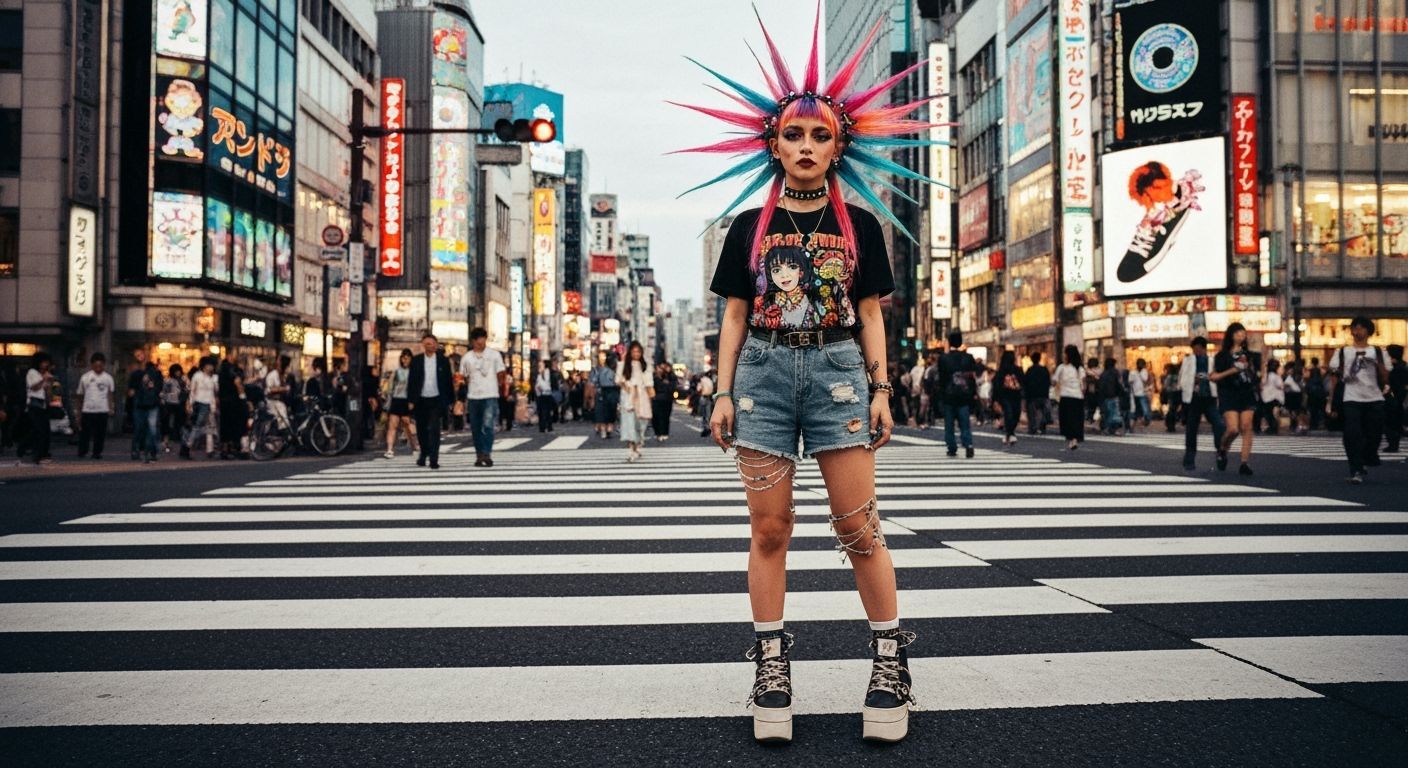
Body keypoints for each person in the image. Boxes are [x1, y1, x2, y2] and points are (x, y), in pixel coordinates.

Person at [688, 13, 930, 740]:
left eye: (820, 135)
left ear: (840, 144)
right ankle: (771, 669)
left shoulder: (859, 224)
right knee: (770, 529)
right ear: (771, 143)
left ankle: (891, 664)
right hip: (760, 370)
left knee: (859, 527)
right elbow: (733, 316)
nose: (806, 145)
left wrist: (884, 389)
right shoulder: (746, 230)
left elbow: (872, 315)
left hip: (838, 370)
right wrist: (723, 389)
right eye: (793, 135)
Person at [1329, 316, 1389, 483]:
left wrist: (1375, 364)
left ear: (1369, 331)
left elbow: (1386, 375)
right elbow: (1334, 376)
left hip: (1374, 396)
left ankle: (1368, 456)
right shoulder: (1343, 352)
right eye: (1355, 328)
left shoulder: (1378, 352)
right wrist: (1331, 400)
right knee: (1351, 434)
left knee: (1374, 433)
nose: (1358, 331)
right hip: (1351, 397)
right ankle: (1356, 468)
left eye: (1362, 328)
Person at [1211, 322, 1260, 475]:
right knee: (1233, 429)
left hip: (1246, 393)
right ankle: (1222, 449)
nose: (1241, 336)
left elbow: (1257, 374)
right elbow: (1215, 376)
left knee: (1246, 427)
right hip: (1228, 393)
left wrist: (1254, 372)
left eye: (1243, 333)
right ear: (1231, 335)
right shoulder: (1222, 356)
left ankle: (1244, 463)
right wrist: (1233, 370)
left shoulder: (1251, 356)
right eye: (1238, 333)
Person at [459, 327, 507, 467]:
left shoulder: (494, 355)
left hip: (490, 395)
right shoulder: (467, 357)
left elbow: (501, 373)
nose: (481, 344)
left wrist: (500, 387)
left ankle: (486, 453)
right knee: (475, 426)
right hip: (473, 396)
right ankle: (479, 454)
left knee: (488, 425)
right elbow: (463, 377)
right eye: (478, 342)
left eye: (483, 341)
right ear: (473, 341)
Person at [1177, 336, 1225, 471]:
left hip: (1210, 397)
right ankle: (1189, 460)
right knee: (1191, 429)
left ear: (1204, 348)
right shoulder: (1188, 360)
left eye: (1198, 349)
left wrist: (1202, 377)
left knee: (1218, 424)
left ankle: (1220, 450)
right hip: (1194, 398)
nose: (1196, 352)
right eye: (1194, 349)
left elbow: (1216, 376)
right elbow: (1182, 378)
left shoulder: (1212, 360)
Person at [407, 333, 453, 469]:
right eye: (427, 344)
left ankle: (434, 458)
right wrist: (410, 400)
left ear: (436, 344)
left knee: (434, 429)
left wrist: (451, 400)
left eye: (432, 344)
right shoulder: (417, 361)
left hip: (436, 399)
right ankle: (424, 453)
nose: (430, 346)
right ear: (423, 345)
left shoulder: (443, 361)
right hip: (421, 398)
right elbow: (412, 382)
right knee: (421, 429)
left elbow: (448, 381)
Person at [938, 331, 978, 458]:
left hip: (949, 396)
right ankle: (968, 444)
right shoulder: (969, 358)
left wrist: (941, 395)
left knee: (949, 425)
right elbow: (972, 378)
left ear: (949, 342)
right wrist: (973, 393)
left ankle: (952, 447)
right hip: (964, 395)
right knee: (965, 423)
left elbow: (941, 379)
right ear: (961, 341)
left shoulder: (943, 358)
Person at [616, 341, 653, 462]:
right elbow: (618, 379)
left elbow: (649, 382)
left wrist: (650, 394)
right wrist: (626, 387)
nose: (636, 354)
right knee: (629, 423)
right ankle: (631, 449)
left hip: (642, 397)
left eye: (638, 351)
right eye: (633, 351)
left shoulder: (645, 365)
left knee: (642, 423)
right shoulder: (623, 364)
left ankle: (638, 444)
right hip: (628, 396)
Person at [75, 352, 116, 460]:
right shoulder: (85, 377)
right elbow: (80, 394)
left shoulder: (108, 378)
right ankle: (82, 451)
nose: (98, 368)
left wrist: (111, 407)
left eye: (101, 365)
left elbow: (110, 394)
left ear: (104, 365)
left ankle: (97, 452)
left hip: (102, 409)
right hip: (88, 409)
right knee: (85, 433)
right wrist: (78, 411)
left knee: (100, 433)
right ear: (92, 365)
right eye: (96, 366)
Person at [382, 348, 418, 459]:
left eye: (407, 358)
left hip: (408, 401)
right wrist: (387, 402)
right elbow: (390, 389)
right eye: (403, 358)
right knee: (393, 425)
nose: (405, 360)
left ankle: (415, 446)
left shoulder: (415, 372)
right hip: (397, 400)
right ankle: (389, 449)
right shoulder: (396, 372)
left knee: (409, 425)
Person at [23, 352, 55, 464]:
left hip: (43, 405)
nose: (46, 364)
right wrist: (43, 378)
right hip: (34, 404)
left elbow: (49, 394)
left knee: (45, 430)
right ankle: (37, 454)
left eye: (47, 362)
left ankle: (44, 453)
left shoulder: (45, 374)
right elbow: (34, 387)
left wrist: (50, 384)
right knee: (39, 430)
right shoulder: (32, 372)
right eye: (44, 362)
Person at [185, 356, 218, 458]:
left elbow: (215, 392)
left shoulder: (214, 378)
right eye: (209, 365)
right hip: (199, 402)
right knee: (198, 425)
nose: (210, 367)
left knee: (210, 426)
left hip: (210, 403)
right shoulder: (197, 376)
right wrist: (190, 403)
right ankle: (188, 444)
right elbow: (193, 390)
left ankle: (210, 449)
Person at [216, 348, 246, 460]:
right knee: (233, 424)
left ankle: (225, 448)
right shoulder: (232, 369)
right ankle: (231, 448)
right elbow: (238, 383)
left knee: (225, 425)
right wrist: (243, 397)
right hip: (232, 400)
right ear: (229, 356)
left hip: (225, 400)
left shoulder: (222, 369)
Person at [1055, 345, 1085, 451]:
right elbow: (1083, 385)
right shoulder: (1079, 368)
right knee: (1076, 419)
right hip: (1078, 397)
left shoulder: (1062, 367)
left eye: (1065, 353)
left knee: (1066, 420)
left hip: (1066, 396)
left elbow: (1054, 381)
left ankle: (1070, 439)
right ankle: (1075, 439)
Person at [994, 350, 1024, 446]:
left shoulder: (1017, 369)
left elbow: (1023, 382)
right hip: (1007, 395)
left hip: (1013, 395)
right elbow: (997, 384)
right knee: (1010, 413)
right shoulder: (1002, 371)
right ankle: (1010, 433)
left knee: (1014, 414)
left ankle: (1009, 433)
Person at [588, 351, 619, 439]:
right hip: (609, 391)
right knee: (608, 411)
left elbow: (593, 383)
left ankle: (605, 428)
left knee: (603, 411)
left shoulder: (599, 370)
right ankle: (608, 428)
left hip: (603, 391)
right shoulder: (613, 371)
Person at [158, 364, 187, 454]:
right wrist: (164, 399)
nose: (178, 373)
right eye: (176, 371)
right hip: (169, 403)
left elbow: (188, 390)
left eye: (179, 371)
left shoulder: (183, 380)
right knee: (167, 423)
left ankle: (175, 441)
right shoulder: (168, 381)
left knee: (179, 423)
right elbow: (163, 392)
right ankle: (166, 441)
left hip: (180, 404)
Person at [1023, 352, 1051, 435]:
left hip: (1032, 395)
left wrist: (1025, 395)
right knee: (1043, 411)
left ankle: (1033, 428)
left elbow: (1026, 383)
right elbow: (1048, 381)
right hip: (1043, 394)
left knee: (1032, 413)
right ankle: (1042, 427)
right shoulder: (1044, 369)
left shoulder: (1029, 370)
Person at [1098, 358, 1126, 436]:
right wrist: (1122, 393)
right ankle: (1113, 429)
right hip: (1114, 395)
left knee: (1108, 413)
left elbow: (1100, 387)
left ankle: (1107, 428)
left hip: (1104, 397)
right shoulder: (1115, 373)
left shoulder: (1103, 374)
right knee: (1114, 413)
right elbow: (1119, 384)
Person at [1257, 358, 1285, 435]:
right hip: (1275, 397)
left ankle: (1271, 428)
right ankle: (1273, 428)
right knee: (1273, 414)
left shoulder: (1266, 376)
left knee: (1268, 414)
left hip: (1266, 397)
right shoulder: (1276, 376)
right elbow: (1281, 386)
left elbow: (1262, 385)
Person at [651, 361, 678, 441]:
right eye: (660, 367)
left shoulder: (670, 376)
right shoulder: (654, 377)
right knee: (656, 417)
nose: (662, 369)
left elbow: (673, 387)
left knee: (665, 417)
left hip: (667, 399)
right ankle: (658, 433)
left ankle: (664, 433)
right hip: (656, 399)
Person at [1387, 344, 1406, 453]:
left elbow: (1396, 385)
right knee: (1395, 422)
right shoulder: (1402, 366)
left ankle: (1393, 444)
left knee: (1392, 423)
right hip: (1399, 399)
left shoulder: (1396, 368)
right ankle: (1393, 444)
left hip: (1395, 399)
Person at [534, 359, 561, 433]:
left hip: (547, 394)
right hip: (540, 395)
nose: (540, 367)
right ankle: (542, 427)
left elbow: (548, 384)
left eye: (541, 365)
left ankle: (549, 427)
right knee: (541, 412)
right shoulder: (538, 374)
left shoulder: (548, 373)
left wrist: (541, 387)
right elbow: (537, 384)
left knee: (547, 412)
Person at [265, 356, 291, 427]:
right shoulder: (272, 375)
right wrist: (284, 389)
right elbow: (269, 390)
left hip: (281, 403)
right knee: (282, 424)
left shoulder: (284, 376)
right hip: (273, 403)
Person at [1283, 362, 1306, 435]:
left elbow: (1301, 387)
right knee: (1292, 412)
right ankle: (1294, 426)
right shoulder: (1287, 377)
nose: (1289, 371)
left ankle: (1299, 426)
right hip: (1289, 395)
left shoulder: (1297, 377)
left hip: (1296, 395)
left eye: (1290, 369)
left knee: (1296, 412)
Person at [1305, 357, 1328, 431]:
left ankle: (1313, 424)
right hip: (1320, 392)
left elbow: (1306, 378)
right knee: (1320, 409)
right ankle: (1319, 423)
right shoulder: (1321, 370)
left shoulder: (1309, 370)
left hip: (1312, 392)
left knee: (1313, 409)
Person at [1129, 358, 1152, 428]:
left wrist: (1140, 374)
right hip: (1135, 393)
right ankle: (1133, 424)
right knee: (1135, 409)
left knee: (1145, 409)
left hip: (1143, 393)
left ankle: (1145, 421)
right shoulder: (1133, 372)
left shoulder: (1144, 372)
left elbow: (1145, 380)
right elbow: (1130, 381)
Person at [1162, 362, 1182, 432]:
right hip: (1178, 393)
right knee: (1174, 409)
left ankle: (1170, 424)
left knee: (1172, 409)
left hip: (1172, 394)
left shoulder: (1169, 377)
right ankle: (1172, 424)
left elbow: (1166, 386)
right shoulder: (1179, 376)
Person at [696, 368, 715, 437]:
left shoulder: (702, 380)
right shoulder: (710, 380)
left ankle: (705, 429)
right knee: (708, 414)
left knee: (703, 414)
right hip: (709, 398)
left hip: (703, 397)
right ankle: (709, 428)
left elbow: (698, 389)